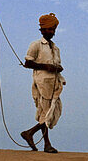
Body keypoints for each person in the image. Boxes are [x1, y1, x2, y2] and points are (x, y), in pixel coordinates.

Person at [20, 13, 64, 153]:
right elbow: (28, 62)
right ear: (42, 30)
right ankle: (46, 143)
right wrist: (47, 67)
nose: (50, 32)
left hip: (53, 84)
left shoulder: (55, 48)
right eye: (47, 29)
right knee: (46, 112)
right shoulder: (36, 45)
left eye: (52, 29)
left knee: (51, 112)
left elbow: (56, 64)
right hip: (42, 82)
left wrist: (57, 68)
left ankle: (31, 134)